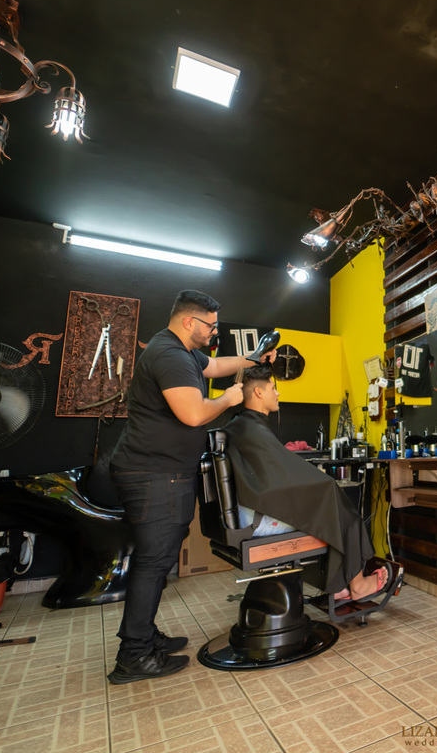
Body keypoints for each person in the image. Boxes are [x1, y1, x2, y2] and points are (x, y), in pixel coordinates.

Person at [107, 290, 267, 684]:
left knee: (156, 560)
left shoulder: (183, 351)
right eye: (210, 326)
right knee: (153, 563)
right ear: (188, 322)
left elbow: (216, 365)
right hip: (154, 474)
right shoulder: (171, 356)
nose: (214, 332)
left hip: (162, 472)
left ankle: (145, 636)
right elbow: (194, 414)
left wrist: (253, 359)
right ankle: (134, 655)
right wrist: (229, 398)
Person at [224, 365, 398, 603]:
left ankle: (339, 586)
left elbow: (273, 474)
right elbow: (279, 475)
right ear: (259, 393)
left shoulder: (241, 424)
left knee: (329, 508)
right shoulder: (252, 428)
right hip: (257, 521)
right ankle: (358, 585)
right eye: (273, 388)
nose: (277, 393)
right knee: (340, 513)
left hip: (246, 513)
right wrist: (325, 485)